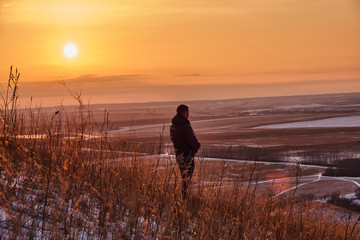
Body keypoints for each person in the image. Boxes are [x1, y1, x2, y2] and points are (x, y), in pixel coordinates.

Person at [170, 104, 201, 200]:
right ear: (183, 113)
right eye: (187, 112)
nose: (188, 114)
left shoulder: (173, 125)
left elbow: (173, 139)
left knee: (184, 177)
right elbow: (192, 141)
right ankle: (186, 199)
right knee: (187, 179)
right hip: (187, 155)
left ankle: (184, 198)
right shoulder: (185, 126)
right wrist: (196, 148)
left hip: (179, 154)